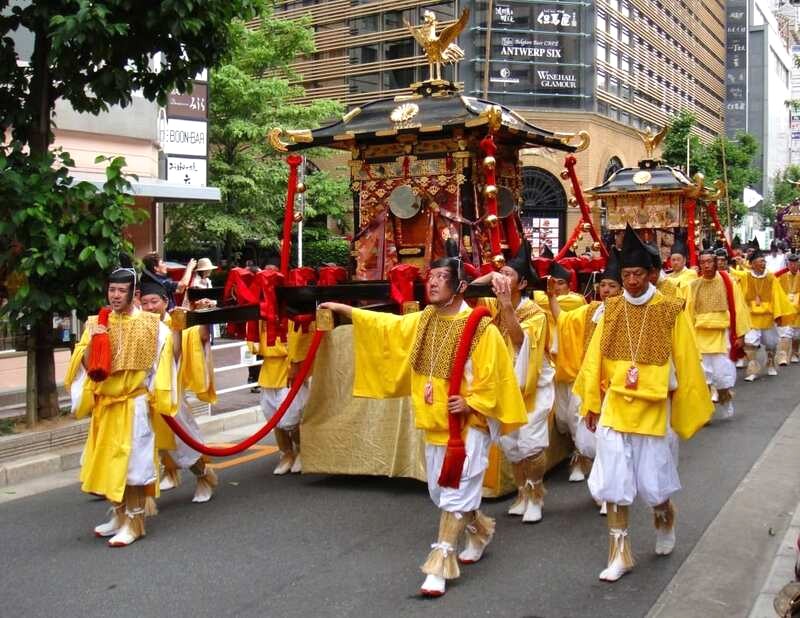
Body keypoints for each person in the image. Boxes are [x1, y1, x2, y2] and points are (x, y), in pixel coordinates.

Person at [320, 256, 527, 598]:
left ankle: (440, 562)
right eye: (430, 277)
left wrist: (473, 402)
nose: (431, 283)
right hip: (434, 421)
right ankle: (480, 529)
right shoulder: (425, 320)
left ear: (460, 286)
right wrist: (348, 310)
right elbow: (388, 327)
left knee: (455, 491)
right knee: (441, 492)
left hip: (468, 423)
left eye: (441, 278)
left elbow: (498, 375)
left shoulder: (480, 328)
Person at [573, 224, 712, 582]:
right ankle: (619, 554)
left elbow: (686, 359)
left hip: (655, 410)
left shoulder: (670, 310)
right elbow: (594, 359)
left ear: (651, 274)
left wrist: (684, 405)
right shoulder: (611, 310)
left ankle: (665, 520)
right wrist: (591, 402)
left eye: (638, 274)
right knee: (615, 484)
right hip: (617, 407)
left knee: (655, 487)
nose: (632, 281)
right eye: (626, 275)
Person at [64, 262, 175, 547]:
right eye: (111, 290)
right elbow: (83, 364)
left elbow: (160, 366)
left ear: (133, 293)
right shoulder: (96, 323)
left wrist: (155, 398)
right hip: (106, 404)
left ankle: (135, 522)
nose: (115, 296)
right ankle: (118, 514)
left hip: (132, 403)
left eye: (121, 291)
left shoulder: (152, 326)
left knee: (133, 465)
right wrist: (93, 344)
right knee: (107, 461)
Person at [472, 243, 553, 523]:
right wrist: (490, 276)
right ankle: (521, 492)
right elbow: (469, 289)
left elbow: (521, 341)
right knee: (511, 444)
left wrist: (506, 306)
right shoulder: (493, 302)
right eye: (501, 273)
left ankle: (536, 495)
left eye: (509, 274)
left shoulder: (536, 314)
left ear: (524, 283)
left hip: (532, 386)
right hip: (504, 383)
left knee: (530, 443)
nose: (503, 279)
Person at [548, 248, 623, 499]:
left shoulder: (628, 313)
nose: (606, 291)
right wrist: (551, 299)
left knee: (611, 440)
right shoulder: (591, 310)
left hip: (617, 386)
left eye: (612, 286)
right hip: (590, 381)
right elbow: (563, 321)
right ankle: (596, 478)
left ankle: (609, 491)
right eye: (603, 286)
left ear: (621, 289)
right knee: (587, 438)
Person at [139, 279, 219, 503]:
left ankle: (204, 477)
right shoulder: (138, 325)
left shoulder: (176, 321)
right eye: (144, 303)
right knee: (145, 448)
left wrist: (203, 315)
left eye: (154, 301)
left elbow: (199, 338)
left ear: (165, 302)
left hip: (170, 395)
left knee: (184, 446)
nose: (149, 307)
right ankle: (155, 488)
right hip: (141, 398)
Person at [685, 249, 750, 419]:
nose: (706, 265)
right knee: (702, 377)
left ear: (715, 262)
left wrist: (740, 335)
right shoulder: (693, 286)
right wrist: (687, 339)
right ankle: (705, 411)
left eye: (709, 261)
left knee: (721, 376)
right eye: (703, 262)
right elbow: (688, 314)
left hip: (722, 336)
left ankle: (725, 398)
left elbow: (739, 307)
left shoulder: (728, 282)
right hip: (700, 337)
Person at [738, 248, 796, 381]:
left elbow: (777, 296)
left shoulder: (770, 277)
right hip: (751, 316)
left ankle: (770, 362)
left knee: (770, 343)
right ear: (752, 264)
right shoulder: (746, 276)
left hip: (767, 317)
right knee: (750, 342)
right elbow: (734, 275)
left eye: (764, 261)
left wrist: (778, 315)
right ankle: (752, 369)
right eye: (760, 262)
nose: (763, 264)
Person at [777, 253, 800, 364]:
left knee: (796, 334)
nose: (793, 266)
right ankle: (783, 356)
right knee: (785, 333)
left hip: (798, 309)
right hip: (786, 308)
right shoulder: (782, 276)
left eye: (795, 263)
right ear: (788, 264)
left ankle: (795, 352)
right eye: (791, 263)